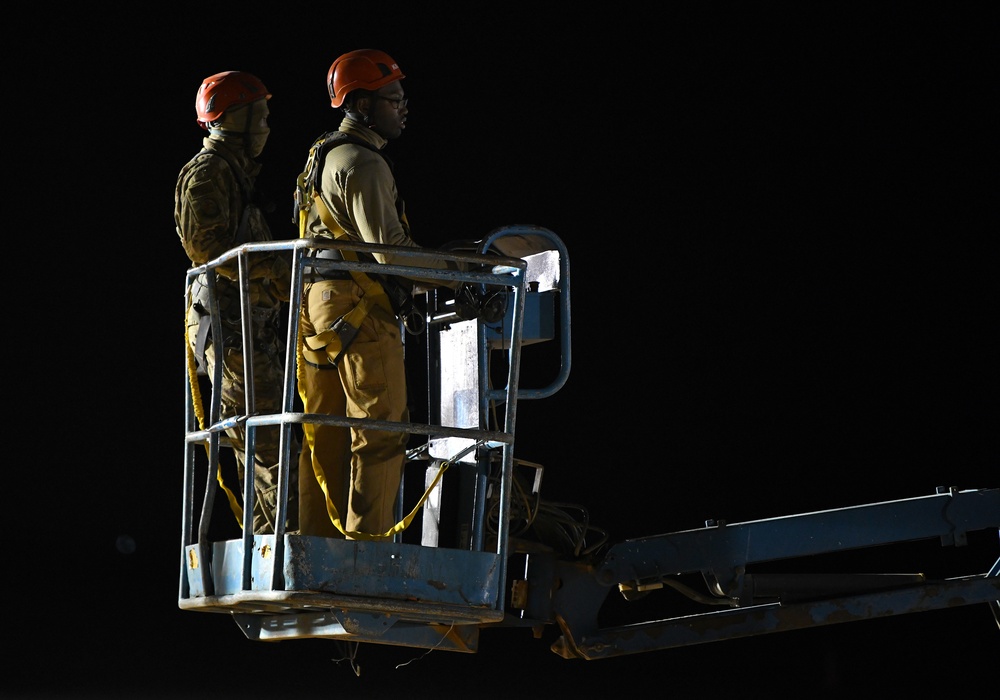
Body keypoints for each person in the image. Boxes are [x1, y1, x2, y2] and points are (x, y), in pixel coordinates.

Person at [294, 49, 468, 540]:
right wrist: (461, 274)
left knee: (323, 436)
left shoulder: (323, 154)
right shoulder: (364, 163)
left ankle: (315, 549)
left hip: (319, 307)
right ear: (363, 105)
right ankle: (365, 555)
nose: (403, 107)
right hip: (358, 307)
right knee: (381, 432)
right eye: (393, 99)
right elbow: (390, 252)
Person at [175, 70, 297, 535]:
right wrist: (285, 269)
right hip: (230, 330)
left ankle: (274, 536)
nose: (266, 126)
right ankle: (272, 543)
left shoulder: (233, 174)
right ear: (236, 119)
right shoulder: (208, 175)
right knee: (265, 438)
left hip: (248, 325)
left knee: (268, 435)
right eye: (260, 115)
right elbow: (210, 250)